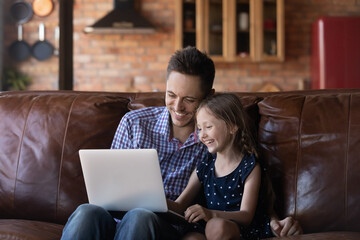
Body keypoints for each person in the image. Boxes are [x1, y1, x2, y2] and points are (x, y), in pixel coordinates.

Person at [61, 46, 302, 240]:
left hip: (165, 227)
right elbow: (106, 187)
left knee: (140, 216)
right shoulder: (133, 123)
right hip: (114, 220)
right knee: (86, 212)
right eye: (171, 95)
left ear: (208, 97)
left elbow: (246, 182)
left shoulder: (215, 139)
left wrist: (275, 220)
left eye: (188, 99)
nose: (177, 108)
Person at [168, 93, 273, 240]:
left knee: (216, 226)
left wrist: (211, 214)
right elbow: (179, 205)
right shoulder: (206, 165)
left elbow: (246, 215)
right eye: (199, 128)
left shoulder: (249, 166)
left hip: (238, 229)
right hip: (208, 228)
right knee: (192, 238)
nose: (202, 135)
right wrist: (152, 200)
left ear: (232, 127)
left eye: (208, 127)